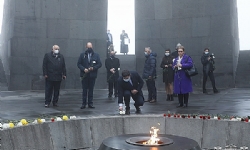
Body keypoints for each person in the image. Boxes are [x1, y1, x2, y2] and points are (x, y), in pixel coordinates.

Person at [77, 42, 102, 109]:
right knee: (84, 90)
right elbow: (79, 64)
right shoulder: (82, 55)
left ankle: (90, 103)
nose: (89, 48)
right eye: (88, 47)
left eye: (90, 47)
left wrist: (93, 68)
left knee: (91, 90)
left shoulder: (96, 55)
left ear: (92, 47)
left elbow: (99, 64)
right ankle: (83, 103)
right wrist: (84, 69)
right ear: (86, 47)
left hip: (92, 75)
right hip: (84, 75)